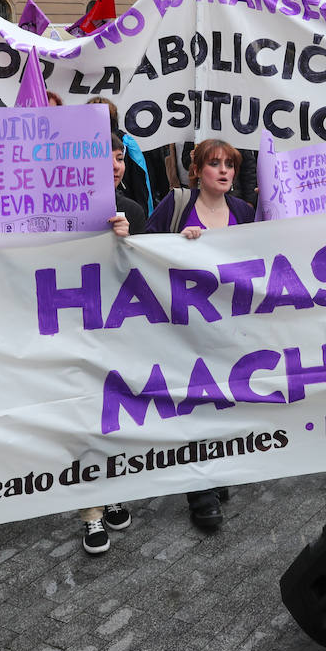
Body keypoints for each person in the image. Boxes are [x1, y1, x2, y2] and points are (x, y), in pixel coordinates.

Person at [146, 139, 257, 530]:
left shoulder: (243, 211)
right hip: (183, 328)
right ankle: (200, 491)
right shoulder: (175, 205)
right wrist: (176, 244)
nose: (224, 171)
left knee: (223, 400)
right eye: (215, 164)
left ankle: (214, 470)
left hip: (228, 328)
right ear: (198, 171)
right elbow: (142, 252)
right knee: (194, 402)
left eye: (230, 164)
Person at [77, 130, 144, 555]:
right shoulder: (67, 213)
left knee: (115, 411)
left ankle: (115, 486)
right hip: (77, 325)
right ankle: (90, 512)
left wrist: (129, 238)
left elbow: (155, 261)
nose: (116, 165)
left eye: (119, 157)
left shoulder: (134, 207)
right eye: (107, 157)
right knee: (85, 415)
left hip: (120, 328)